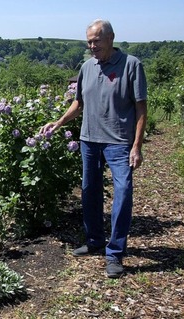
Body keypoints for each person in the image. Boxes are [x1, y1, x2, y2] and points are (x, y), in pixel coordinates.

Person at [40, 19, 147, 278]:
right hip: (89, 140)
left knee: (123, 193)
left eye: (96, 40)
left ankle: (115, 253)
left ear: (111, 38)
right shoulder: (87, 67)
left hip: (119, 143)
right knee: (89, 191)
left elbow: (141, 109)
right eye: (89, 41)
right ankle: (95, 240)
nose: (92, 46)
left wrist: (136, 146)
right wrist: (59, 122)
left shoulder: (131, 65)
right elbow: (79, 104)